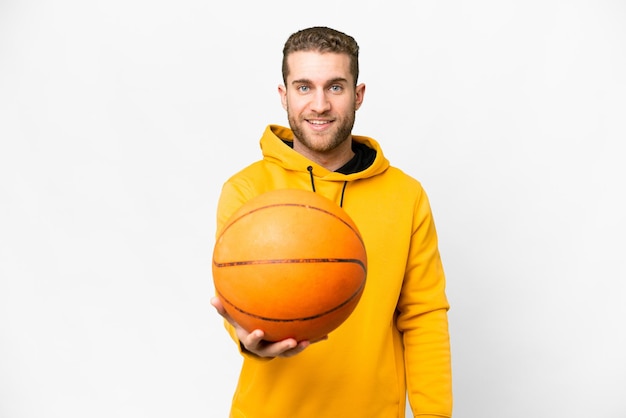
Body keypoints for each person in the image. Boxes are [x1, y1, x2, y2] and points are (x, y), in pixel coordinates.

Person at [211, 26, 452, 418]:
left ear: (358, 95)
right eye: (304, 87)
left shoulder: (405, 195)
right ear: (284, 94)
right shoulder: (247, 190)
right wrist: (246, 339)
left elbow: (424, 317)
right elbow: (242, 297)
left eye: (335, 87)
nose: (319, 105)